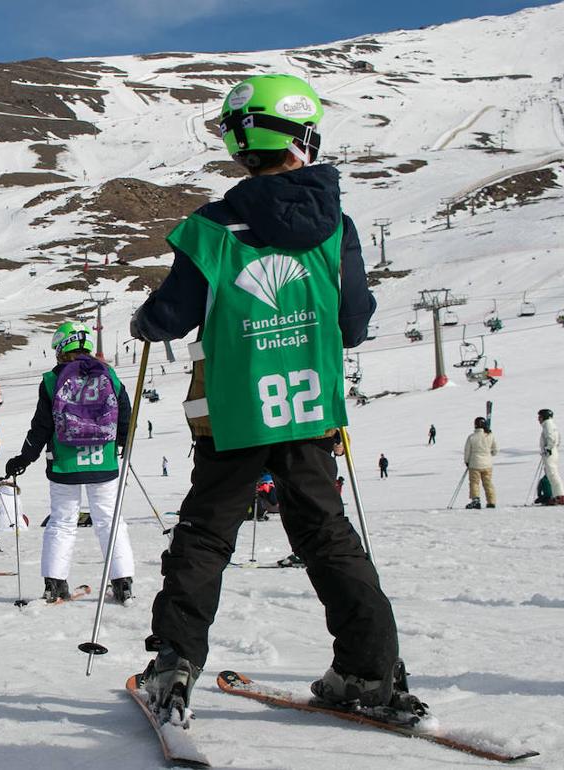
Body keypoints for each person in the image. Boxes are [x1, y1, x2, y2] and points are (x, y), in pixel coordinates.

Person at [128, 73, 420, 725]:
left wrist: (146, 322)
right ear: (304, 136)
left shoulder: (209, 230)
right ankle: (368, 671)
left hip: (234, 413)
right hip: (310, 409)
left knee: (206, 534)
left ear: (240, 145)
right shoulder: (335, 227)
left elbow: (170, 317)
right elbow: (353, 321)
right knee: (326, 533)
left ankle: (175, 663)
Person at [4, 321, 135, 605]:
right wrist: (123, 442)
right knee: (110, 521)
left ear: (62, 347)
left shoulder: (52, 380)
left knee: (62, 523)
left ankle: (55, 584)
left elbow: (41, 426)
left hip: (64, 464)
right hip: (104, 462)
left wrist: (24, 458)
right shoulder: (109, 375)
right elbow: (126, 414)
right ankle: (123, 583)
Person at [462, 416, 498, 509]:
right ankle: (491, 501)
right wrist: (490, 454)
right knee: (488, 482)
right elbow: (495, 450)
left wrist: (467, 461)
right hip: (487, 464)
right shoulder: (490, 435)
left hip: (474, 463)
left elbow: (467, 451)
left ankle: (476, 500)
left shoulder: (472, 437)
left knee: (474, 483)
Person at [538, 408, 564, 505]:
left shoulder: (547, 425)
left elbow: (551, 438)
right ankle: (557, 496)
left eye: (540, 417)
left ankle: (560, 496)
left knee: (552, 474)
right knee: (552, 474)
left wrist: (548, 448)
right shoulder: (551, 424)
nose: (539, 419)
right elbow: (558, 438)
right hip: (552, 451)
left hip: (550, 452)